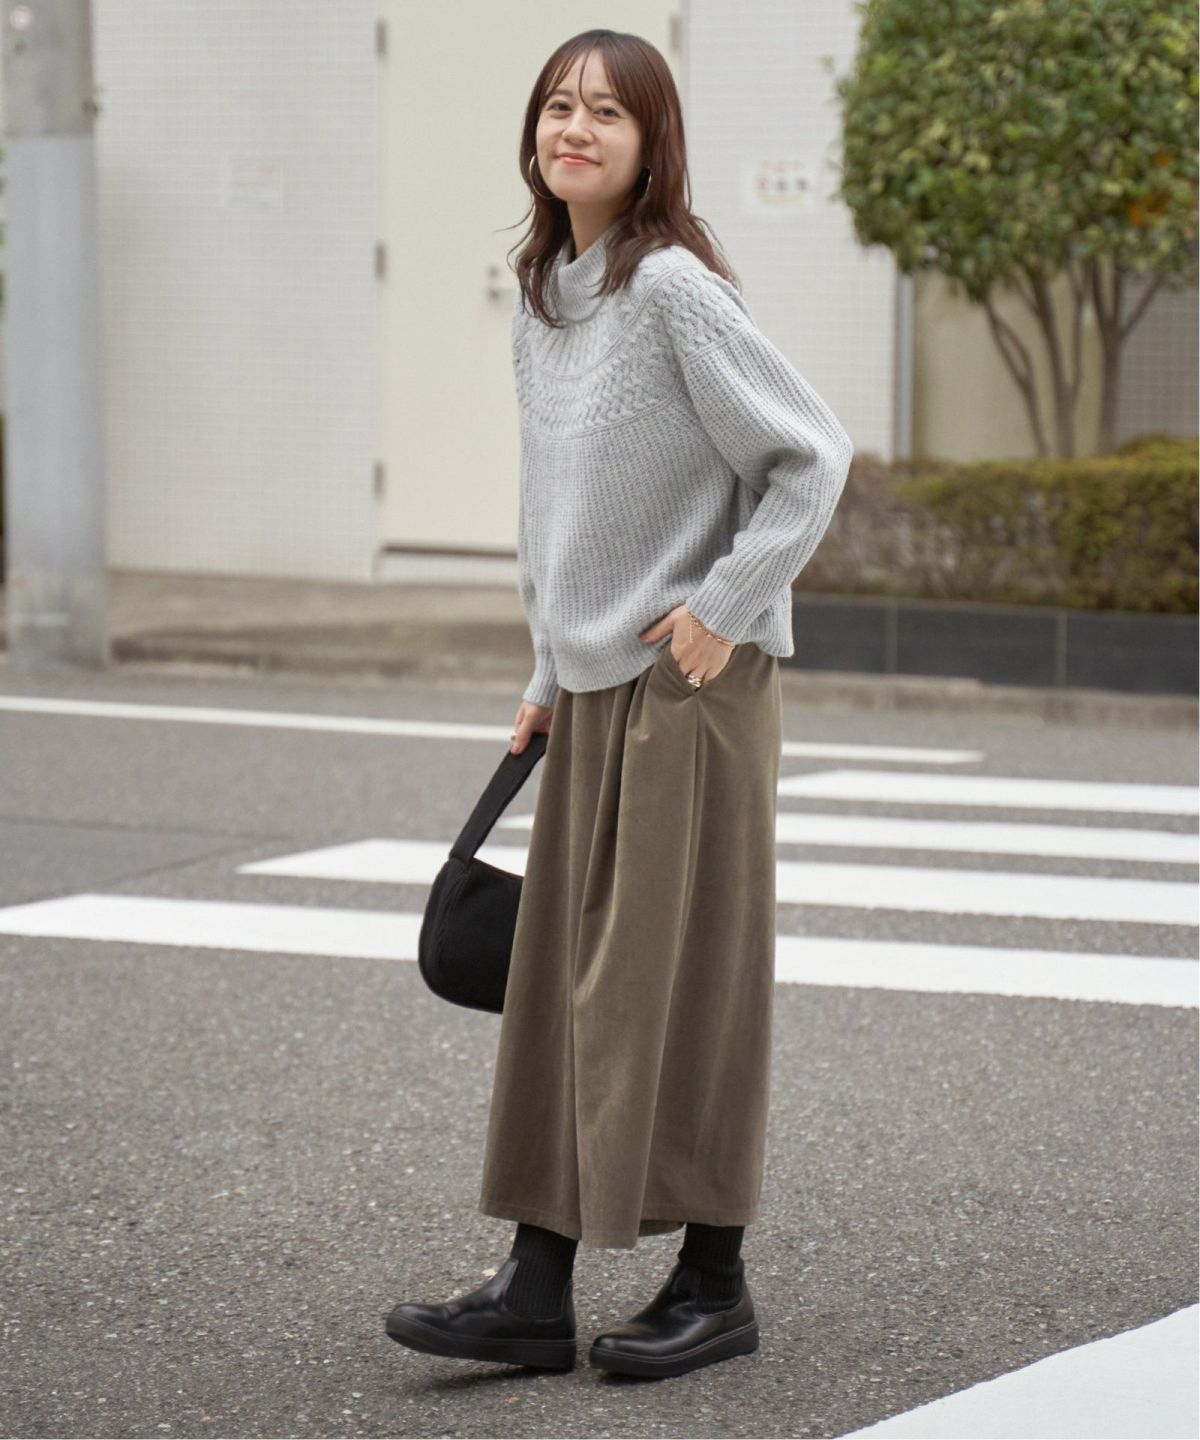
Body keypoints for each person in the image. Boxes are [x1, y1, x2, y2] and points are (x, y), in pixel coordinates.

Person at [385, 28, 853, 1381]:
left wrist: (721, 607)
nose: (573, 128)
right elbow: (559, 511)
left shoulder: (672, 291)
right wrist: (546, 675)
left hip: (689, 684)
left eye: (605, 111)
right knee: (562, 989)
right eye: (557, 105)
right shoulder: (549, 294)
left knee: (677, 982)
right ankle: (535, 1291)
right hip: (594, 685)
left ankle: (715, 1282)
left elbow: (810, 458)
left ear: (652, 146)